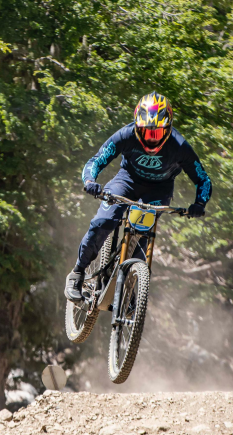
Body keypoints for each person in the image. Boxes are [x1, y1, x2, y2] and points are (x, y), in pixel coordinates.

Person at [64, 92, 212, 302]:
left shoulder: (179, 146)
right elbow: (97, 160)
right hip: (127, 180)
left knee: (143, 233)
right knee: (103, 221)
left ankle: (131, 286)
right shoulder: (126, 135)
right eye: (146, 132)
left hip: (159, 189)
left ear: (168, 129)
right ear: (136, 126)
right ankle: (78, 273)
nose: (151, 138)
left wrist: (199, 203)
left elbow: (203, 179)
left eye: (157, 133)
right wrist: (89, 181)